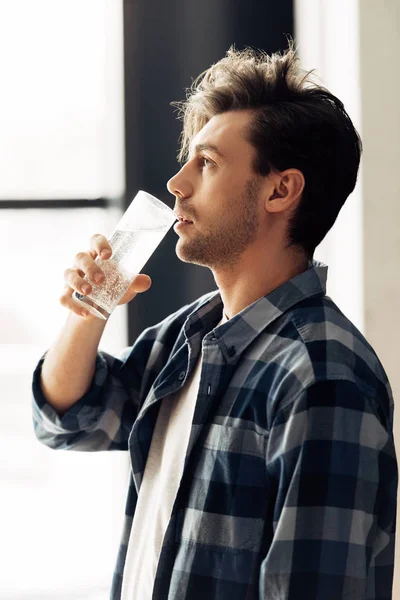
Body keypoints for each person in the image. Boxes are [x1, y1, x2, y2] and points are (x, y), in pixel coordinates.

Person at [32, 45, 398, 600]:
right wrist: (90, 312)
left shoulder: (323, 375)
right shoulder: (190, 336)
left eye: (206, 163)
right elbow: (70, 420)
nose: (176, 184)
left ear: (281, 190)